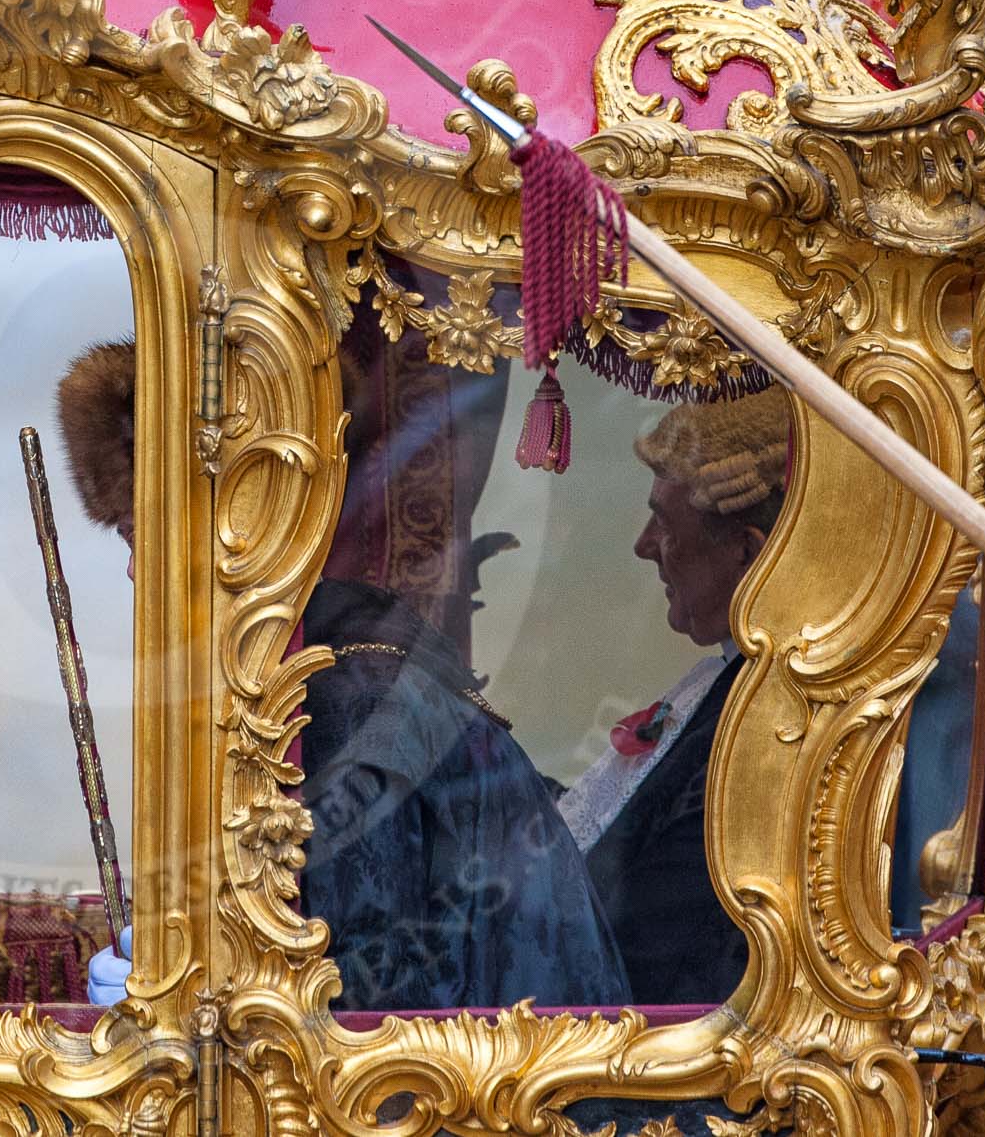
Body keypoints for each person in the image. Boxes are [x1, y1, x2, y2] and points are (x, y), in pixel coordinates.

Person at [61, 341, 628, 1011]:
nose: (133, 572)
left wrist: (183, 991)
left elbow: (364, 1004)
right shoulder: (330, 668)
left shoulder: (341, 697)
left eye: (141, 535)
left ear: (236, 526)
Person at [556, 386, 790, 1003]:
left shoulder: (758, 728)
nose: (642, 545)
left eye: (664, 520)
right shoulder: (725, 684)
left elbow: (641, 938)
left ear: (749, 553)